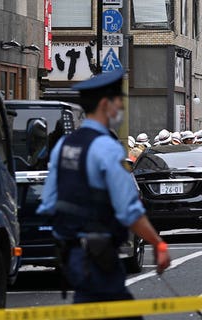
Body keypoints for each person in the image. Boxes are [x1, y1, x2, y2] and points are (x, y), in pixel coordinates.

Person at [36, 70, 171, 313]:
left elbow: (48, 202)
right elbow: (129, 209)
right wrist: (157, 243)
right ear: (105, 104)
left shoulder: (64, 146)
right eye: (118, 101)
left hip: (71, 256)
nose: (120, 107)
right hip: (99, 255)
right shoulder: (106, 148)